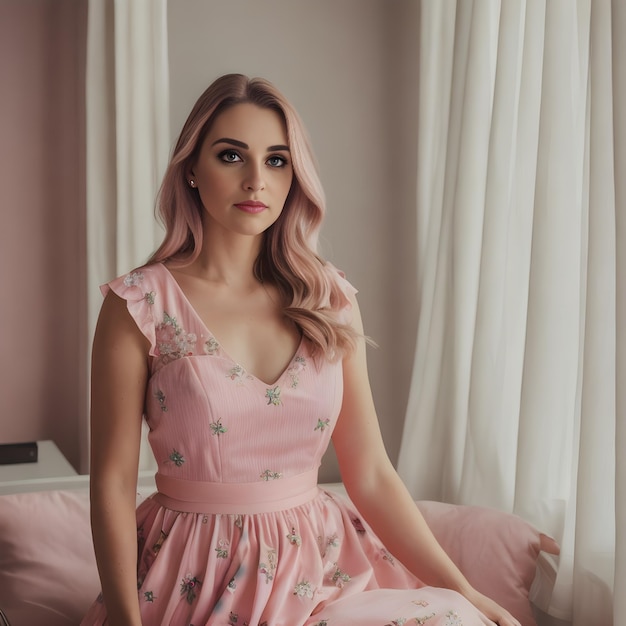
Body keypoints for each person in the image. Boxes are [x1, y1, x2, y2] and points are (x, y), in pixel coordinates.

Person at [82, 73, 520, 626]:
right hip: (193, 569)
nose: (255, 181)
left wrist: (464, 590)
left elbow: (372, 474)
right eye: (231, 156)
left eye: (277, 160)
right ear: (191, 169)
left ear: (296, 175)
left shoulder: (329, 297)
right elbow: (114, 483)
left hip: (322, 568)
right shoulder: (141, 303)